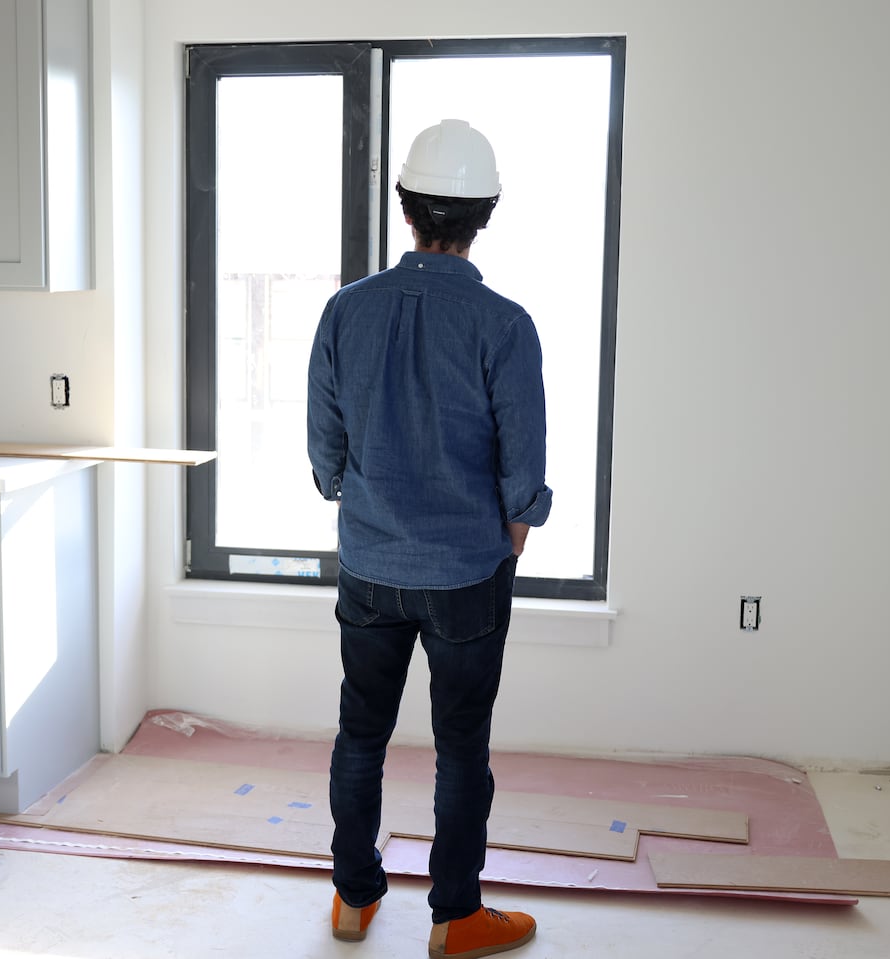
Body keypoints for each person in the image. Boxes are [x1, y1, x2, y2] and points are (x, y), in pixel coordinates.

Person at [307, 118, 552, 958]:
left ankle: (352, 899)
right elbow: (523, 475)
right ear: (485, 213)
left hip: (370, 565)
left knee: (361, 733)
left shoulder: (346, 310)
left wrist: (363, 500)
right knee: (460, 749)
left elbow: (324, 456)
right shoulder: (505, 324)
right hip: (466, 576)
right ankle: (454, 918)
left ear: (404, 206)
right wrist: (509, 535)